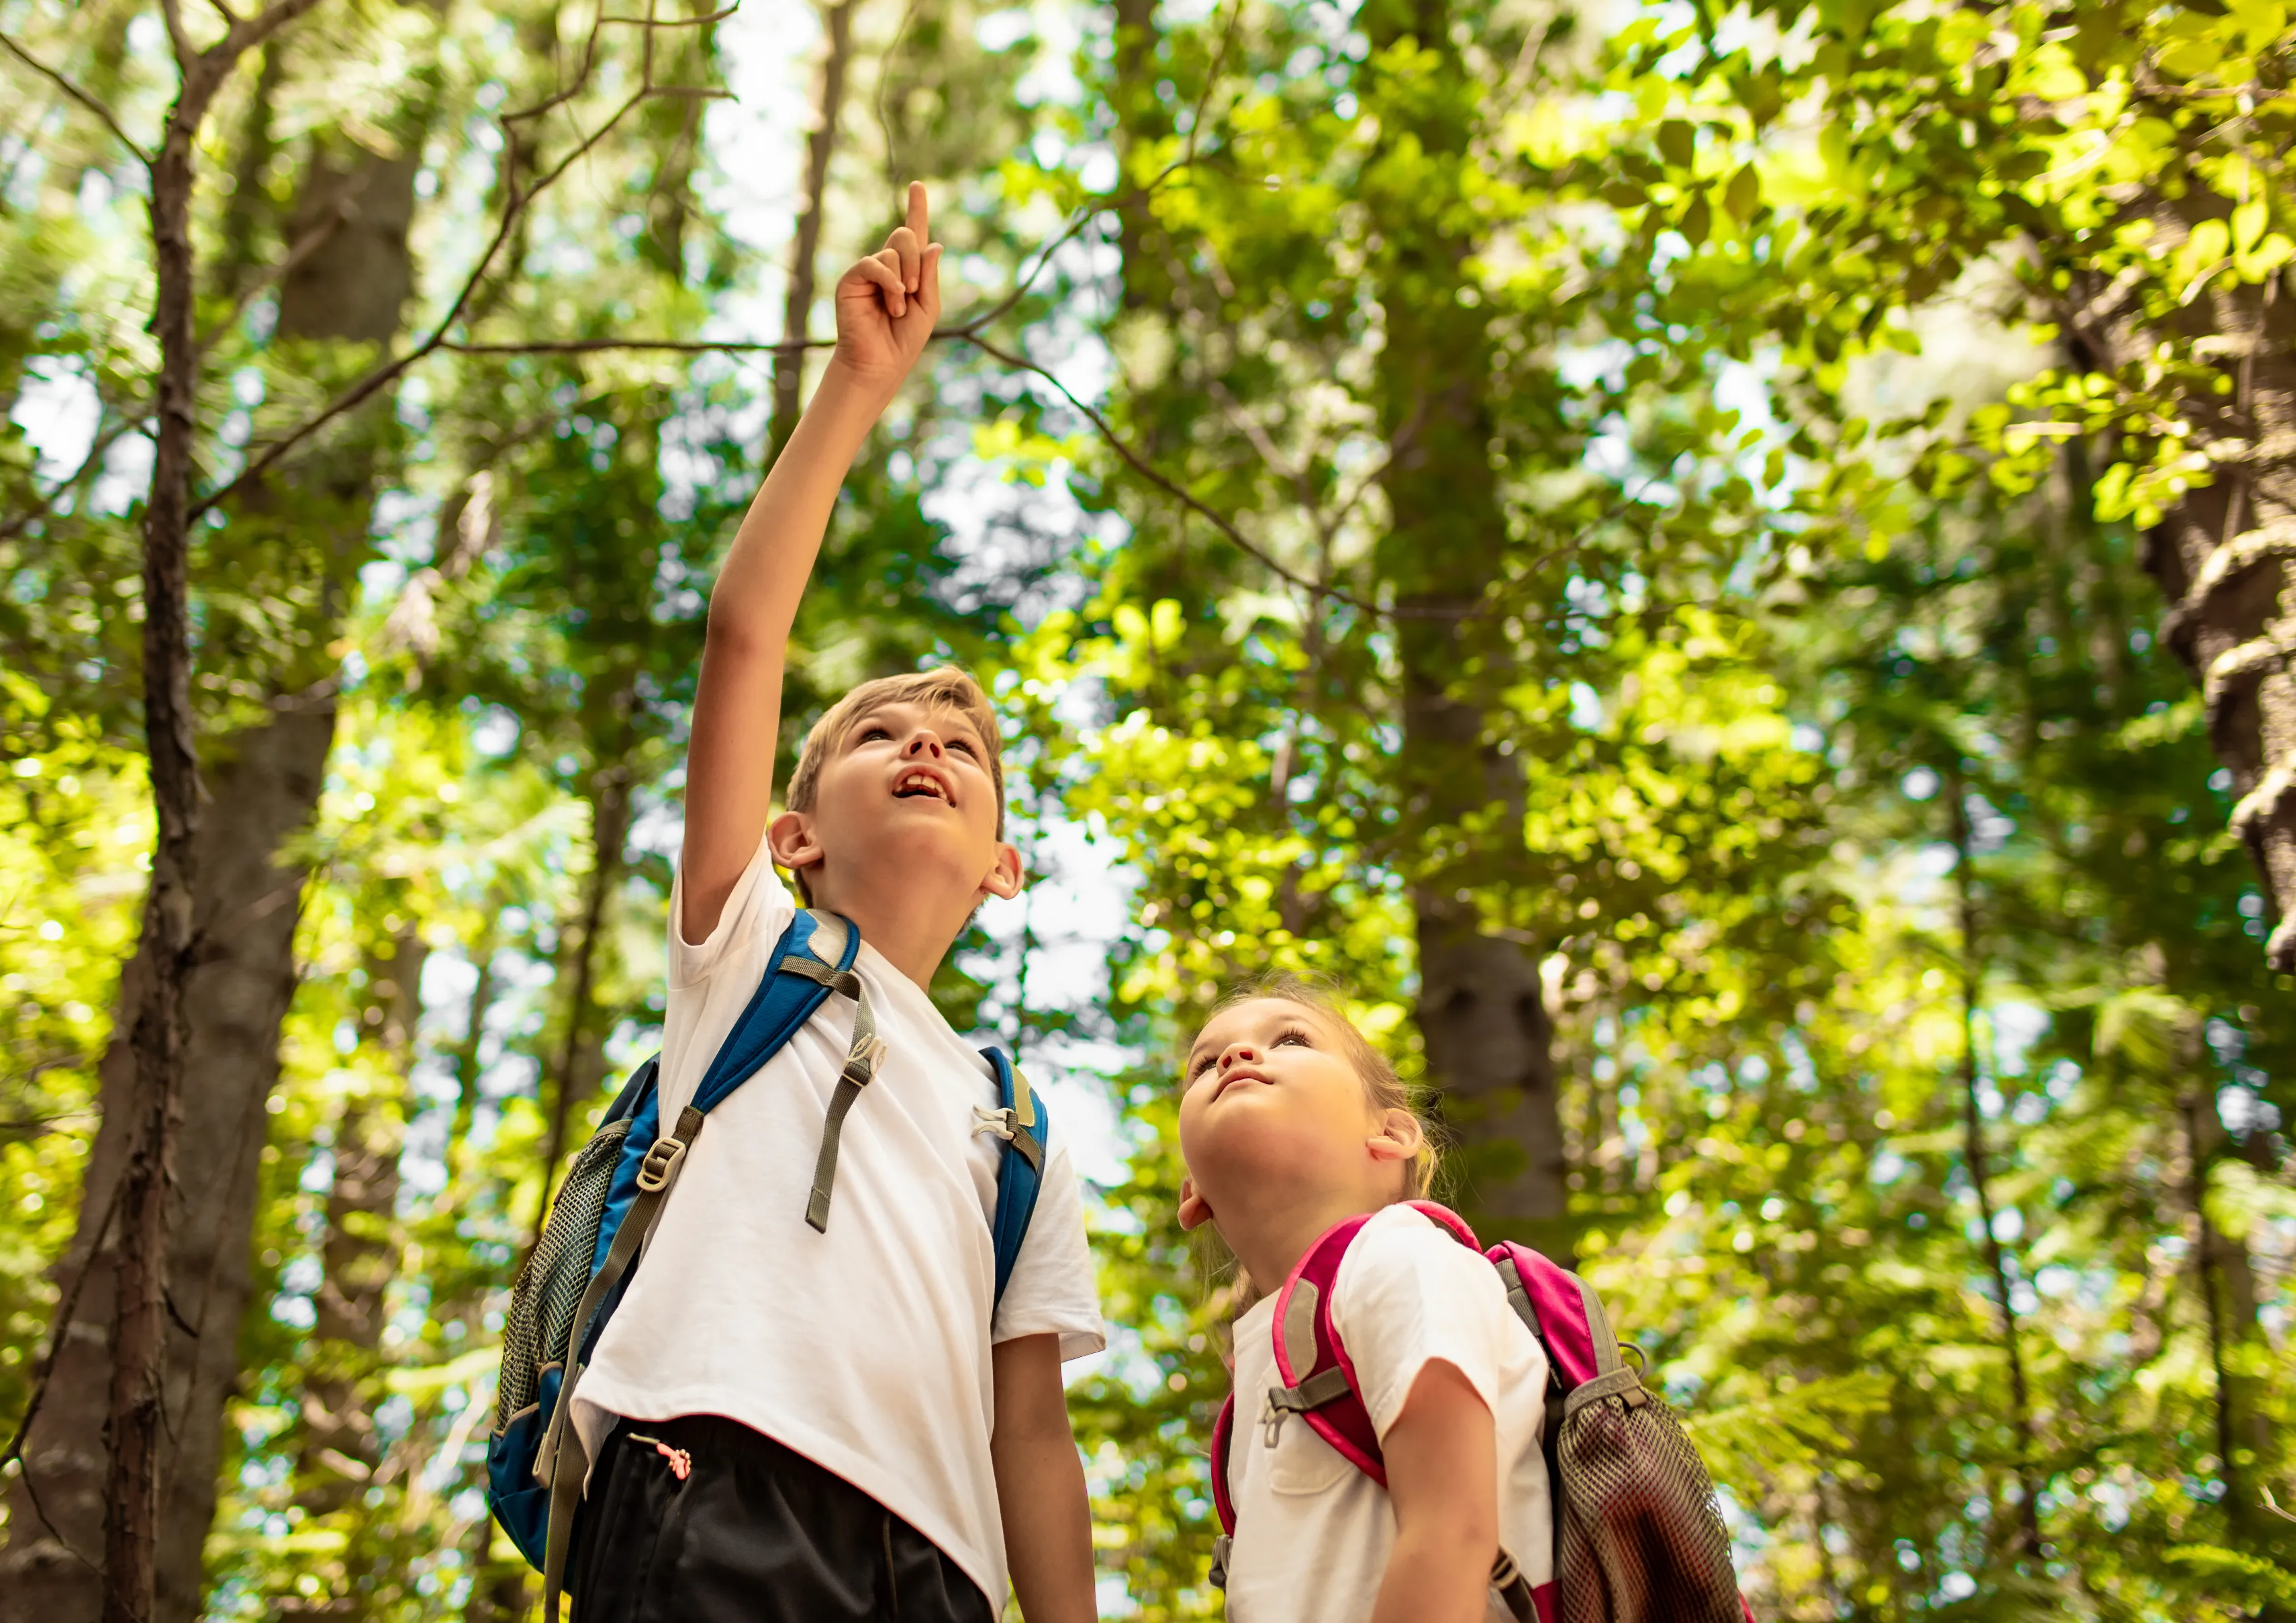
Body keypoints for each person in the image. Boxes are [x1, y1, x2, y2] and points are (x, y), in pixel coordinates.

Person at [562, 183, 1106, 1623]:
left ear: (1003, 864)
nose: (926, 749)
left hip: (939, 1571)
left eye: (962, 753)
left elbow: (1031, 1438)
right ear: (790, 835)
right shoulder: (749, 953)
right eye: (877, 737)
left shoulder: (1017, 1128)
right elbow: (745, 635)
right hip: (714, 1471)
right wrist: (854, 396)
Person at [1178, 978, 1553, 1623]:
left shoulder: (1398, 1256)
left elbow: (1453, 1530)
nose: (1236, 1057)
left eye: (1291, 1039)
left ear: (1391, 1134)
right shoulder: (1259, 1372)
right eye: (1206, 1063)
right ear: (1194, 1193)